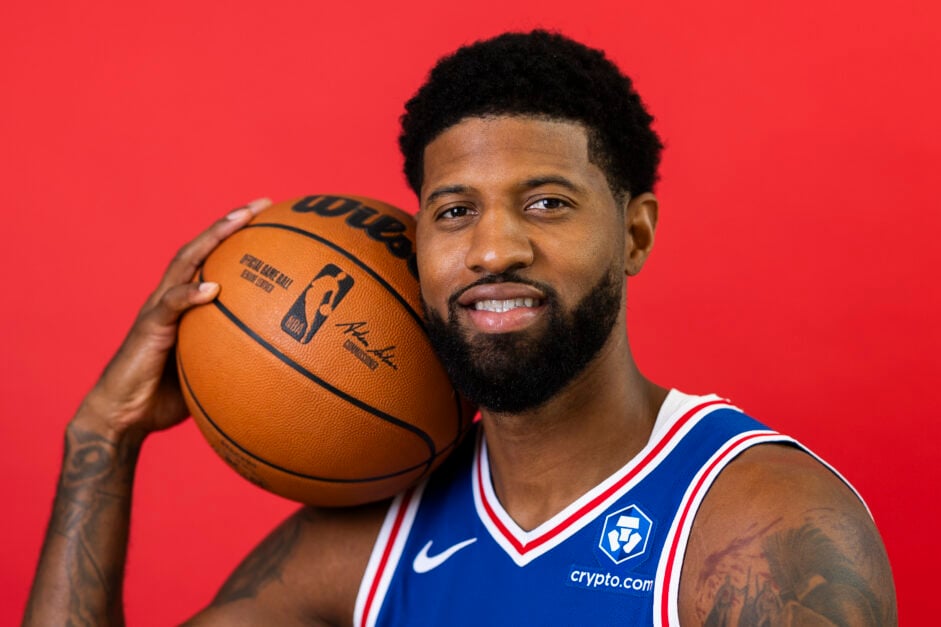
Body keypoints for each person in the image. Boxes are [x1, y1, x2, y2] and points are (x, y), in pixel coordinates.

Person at [25, 31, 897, 626]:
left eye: (546, 203)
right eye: (453, 210)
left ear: (633, 235)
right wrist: (101, 436)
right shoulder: (377, 534)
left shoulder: (757, 527)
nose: (492, 248)